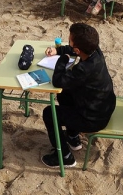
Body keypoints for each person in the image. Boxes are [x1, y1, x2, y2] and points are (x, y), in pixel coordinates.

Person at [40, 23, 116, 168]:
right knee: (65, 94)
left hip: (94, 119)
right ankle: (73, 137)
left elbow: (57, 81)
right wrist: (58, 50)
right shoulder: (95, 52)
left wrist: (62, 60)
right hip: (102, 107)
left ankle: (64, 156)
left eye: (69, 42)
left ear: (77, 49)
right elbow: (73, 50)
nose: (68, 44)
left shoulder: (84, 69)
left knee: (49, 113)